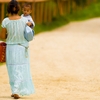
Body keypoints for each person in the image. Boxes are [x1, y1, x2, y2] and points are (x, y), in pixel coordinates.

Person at [0, 0, 35, 99]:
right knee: (21, 68)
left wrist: (9, 35)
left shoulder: (5, 21)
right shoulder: (24, 20)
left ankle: (14, 90)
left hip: (11, 49)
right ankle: (16, 90)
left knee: (12, 69)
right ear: (18, 8)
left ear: (8, 9)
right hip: (22, 47)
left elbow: (2, 36)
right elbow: (29, 30)